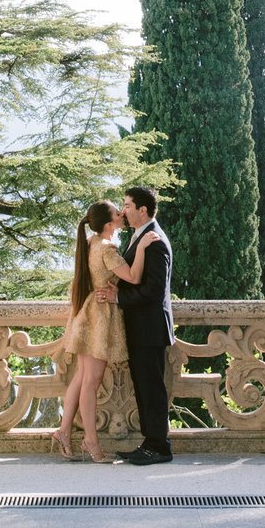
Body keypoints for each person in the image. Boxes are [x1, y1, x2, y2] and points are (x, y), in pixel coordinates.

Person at [54, 200, 158, 461]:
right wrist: (144, 246)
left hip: (87, 313)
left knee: (81, 379)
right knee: (91, 381)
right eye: (117, 212)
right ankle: (91, 442)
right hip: (99, 318)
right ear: (109, 224)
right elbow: (133, 277)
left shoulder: (90, 243)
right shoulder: (107, 248)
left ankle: (64, 431)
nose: (122, 213)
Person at [98, 186, 174, 465]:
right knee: (144, 387)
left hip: (150, 329)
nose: (123, 210)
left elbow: (154, 291)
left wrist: (118, 297)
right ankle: (152, 443)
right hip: (143, 328)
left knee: (152, 389)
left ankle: (159, 447)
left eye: (128, 205)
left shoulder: (155, 241)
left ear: (143, 210)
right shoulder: (140, 237)